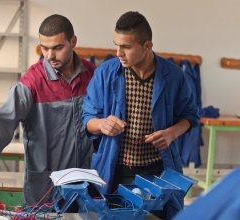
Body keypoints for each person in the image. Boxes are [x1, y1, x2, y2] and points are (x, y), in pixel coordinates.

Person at [0, 14, 95, 207]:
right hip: (44, 191)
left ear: (73, 42)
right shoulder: (31, 83)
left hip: (84, 187)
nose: (50, 56)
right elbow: (3, 123)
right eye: (45, 48)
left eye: (57, 48)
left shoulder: (93, 76)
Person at [82, 11, 199, 218]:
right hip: (114, 169)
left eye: (126, 47)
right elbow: (87, 119)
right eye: (116, 44)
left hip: (157, 171)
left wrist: (172, 133)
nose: (118, 53)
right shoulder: (105, 73)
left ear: (147, 46)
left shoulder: (173, 76)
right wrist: (101, 124)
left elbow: (190, 116)